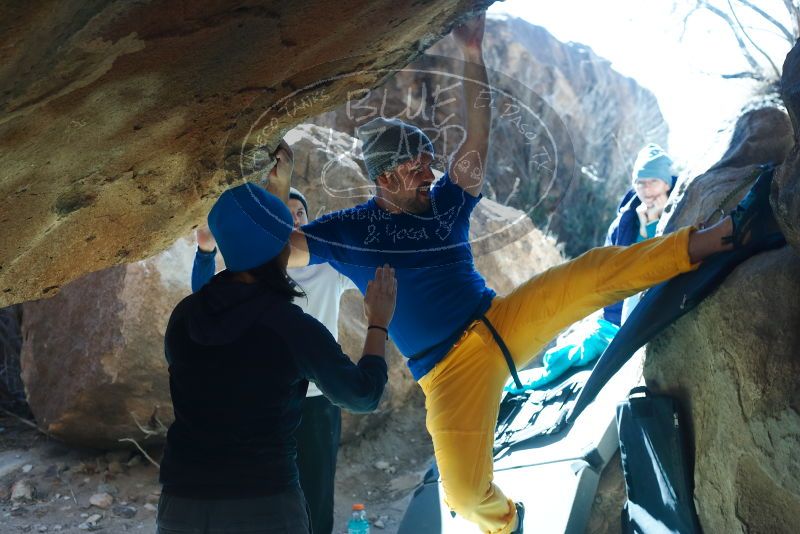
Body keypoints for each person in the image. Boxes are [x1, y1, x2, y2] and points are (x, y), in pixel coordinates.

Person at [279, 13, 773, 533]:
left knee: (593, 272)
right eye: (415, 166)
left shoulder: (446, 203)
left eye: (429, 161)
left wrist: (472, 55)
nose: (430, 173)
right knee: (466, 496)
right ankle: (511, 522)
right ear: (383, 175)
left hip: (503, 319)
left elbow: (476, 138)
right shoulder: (350, 230)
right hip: (447, 376)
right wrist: (280, 183)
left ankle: (721, 235)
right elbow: (279, 251)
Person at [157, 183, 396, 534]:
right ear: (282, 248)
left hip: (181, 503)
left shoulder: (184, 315)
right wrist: (378, 322)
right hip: (263, 503)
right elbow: (362, 395)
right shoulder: (289, 326)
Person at [191, 186, 357, 534]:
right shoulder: (255, 272)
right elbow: (203, 299)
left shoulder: (328, 267)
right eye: (288, 212)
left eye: (301, 213)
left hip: (317, 402)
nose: (295, 218)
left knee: (316, 492)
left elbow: (372, 269)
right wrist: (205, 250)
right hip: (266, 401)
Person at [604, 144, 676, 326]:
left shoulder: (685, 211)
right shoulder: (623, 224)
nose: (647, 189)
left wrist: (652, 225)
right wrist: (644, 228)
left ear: (666, 184)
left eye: (654, 181)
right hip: (620, 317)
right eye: (640, 182)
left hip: (667, 310)